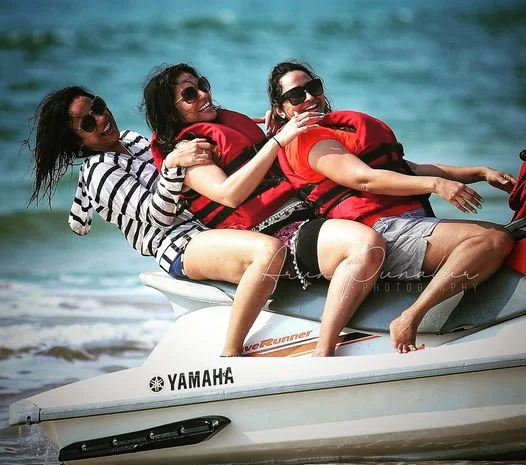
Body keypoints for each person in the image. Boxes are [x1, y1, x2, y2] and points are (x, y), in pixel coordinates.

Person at [267, 60, 516, 353]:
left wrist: (480, 173)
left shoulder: (340, 130)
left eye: (313, 88)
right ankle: (410, 317)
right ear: (282, 109)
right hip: (382, 232)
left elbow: (408, 168)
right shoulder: (309, 139)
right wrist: (437, 186)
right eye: (296, 96)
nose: (309, 98)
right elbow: (365, 180)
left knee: (500, 235)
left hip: (407, 223)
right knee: (493, 239)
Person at [26, 86, 291, 357]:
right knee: (268, 251)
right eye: (88, 123)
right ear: (78, 141)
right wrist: (173, 167)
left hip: (211, 226)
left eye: (98, 107)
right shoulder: (98, 171)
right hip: (179, 244)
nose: (102, 118)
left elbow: (189, 155)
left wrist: (250, 132)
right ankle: (231, 352)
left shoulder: (132, 139)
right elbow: (157, 216)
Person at [143, 63, 386, 357]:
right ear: (172, 113)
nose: (205, 94)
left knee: (374, 236)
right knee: (366, 246)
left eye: (203, 84)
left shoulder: (230, 124)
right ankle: (240, 353)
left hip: (302, 217)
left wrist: (278, 131)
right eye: (191, 94)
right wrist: (276, 141)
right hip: (268, 233)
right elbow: (228, 195)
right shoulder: (191, 152)